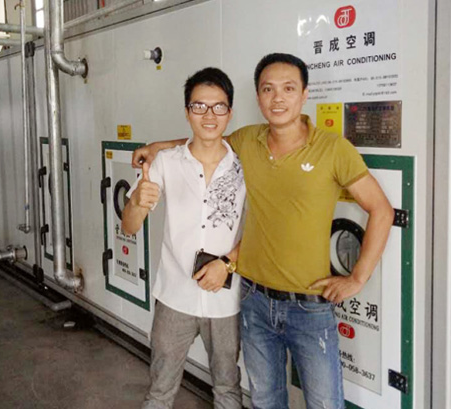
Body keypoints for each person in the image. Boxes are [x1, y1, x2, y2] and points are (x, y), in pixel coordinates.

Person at [131, 53, 395, 409]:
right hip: (254, 302)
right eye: (268, 89)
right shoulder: (247, 141)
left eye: (288, 88)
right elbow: (205, 138)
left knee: (324, 403)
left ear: (304, 94)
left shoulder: (333, 149)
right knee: (265, 402)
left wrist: (358, 277)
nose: (278, 98)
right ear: (258, 97)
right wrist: (155, 148)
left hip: (309, 307)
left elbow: (381, 209)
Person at [122, 67, 245, 409]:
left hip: (226, 299)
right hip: (175, 295)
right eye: (199, 106)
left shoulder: (244, 165)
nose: (209, 115)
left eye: (219, 107)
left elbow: (261, 230)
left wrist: (228, 264)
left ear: (230, 112)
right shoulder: (164, 163)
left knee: (228, 387)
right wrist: (137, 202)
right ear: (187, 112)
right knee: (160, 390)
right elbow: (129, 227)